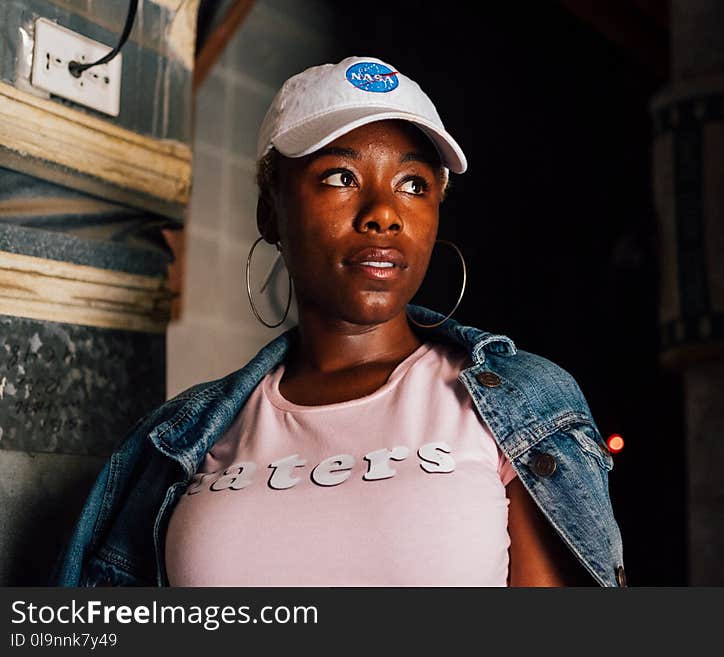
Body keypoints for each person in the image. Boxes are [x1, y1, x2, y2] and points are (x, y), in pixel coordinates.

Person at [51, 56, 625, 587]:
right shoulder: (179, 438)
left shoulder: (522, 409)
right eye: (340, 177)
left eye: (414, 185)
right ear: (270, 212)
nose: (383, 214)